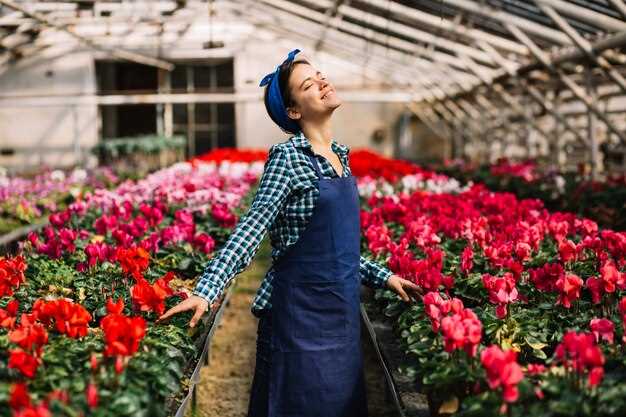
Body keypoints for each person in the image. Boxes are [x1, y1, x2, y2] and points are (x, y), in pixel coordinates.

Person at [157, 48, 422, 417]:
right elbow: (252, 228)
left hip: (341, 318)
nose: (322, 82)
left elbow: (335, 249)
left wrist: (384, 276)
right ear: (294, 111)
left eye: (320, 75)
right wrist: (206, 291)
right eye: (309, 84)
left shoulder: (340, 158)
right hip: (298, 318)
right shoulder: (288, 158)